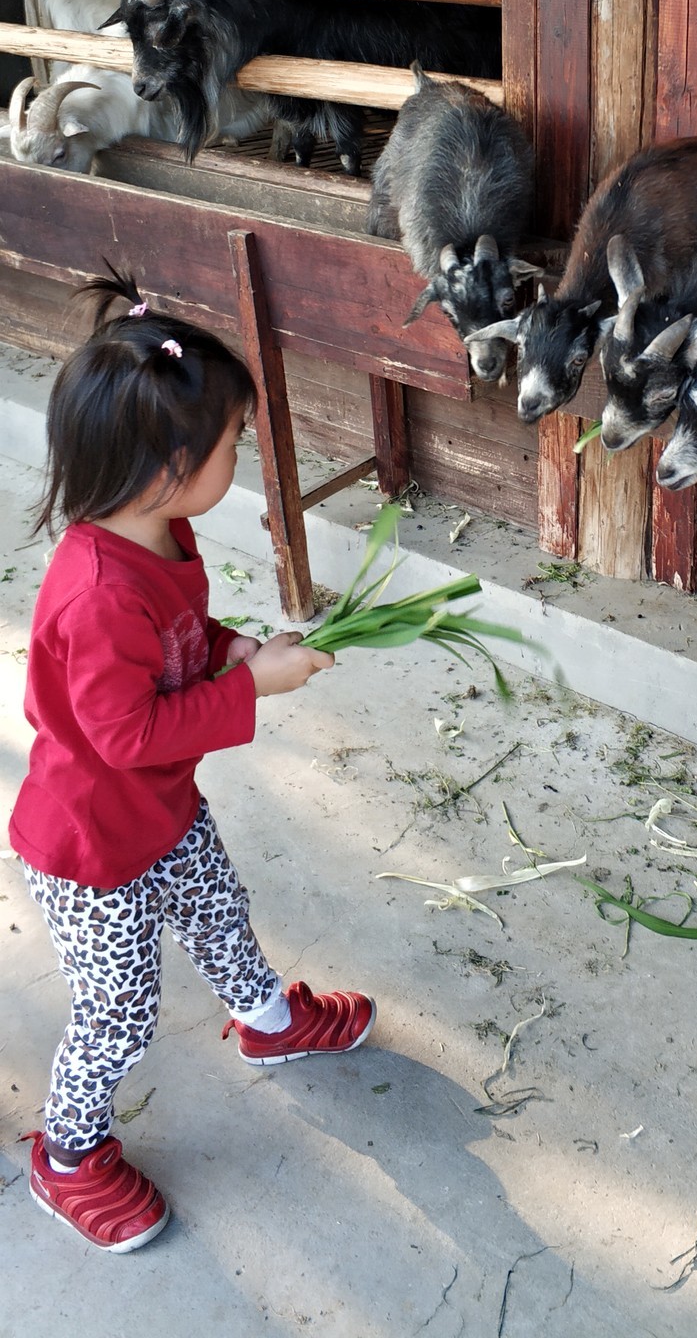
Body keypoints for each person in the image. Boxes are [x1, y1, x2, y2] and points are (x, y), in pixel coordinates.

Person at [8, 270, 376, 1252]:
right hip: (93, 852)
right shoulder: (93, 595)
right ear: (172, 464)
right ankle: (70, 1157)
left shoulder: (162, 537)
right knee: (119, 1011)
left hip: (163, 814)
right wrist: (251, 690)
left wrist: (228, 651)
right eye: (232, 445)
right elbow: (124, 737)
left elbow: (180, 636)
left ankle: (266, 1018)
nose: (240, 455)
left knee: (222, 909)